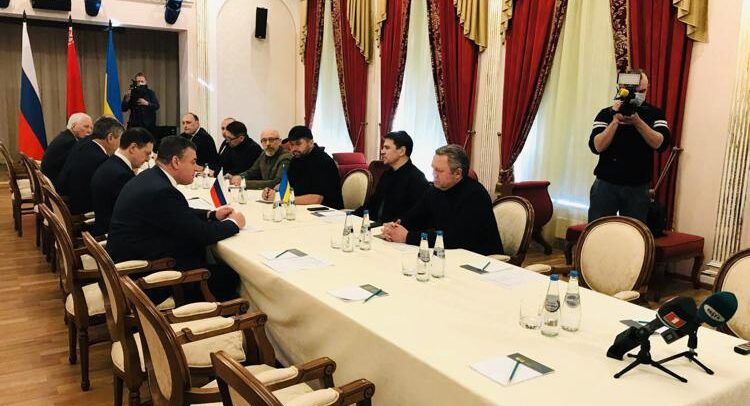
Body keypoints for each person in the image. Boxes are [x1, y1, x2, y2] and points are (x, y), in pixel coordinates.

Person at [106, 135, 246, 300]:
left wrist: (211, 214)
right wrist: (234, 223)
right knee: (229, 275)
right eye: (193, 162)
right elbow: (201, 234)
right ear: (176, 162)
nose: (196, 169)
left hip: (131, 261)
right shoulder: (162, 191)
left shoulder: (151, 177)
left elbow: (177, 213)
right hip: (145, 277)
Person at [381, 144, 503, 256]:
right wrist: (395, 227)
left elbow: (454, 239)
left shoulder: (475, 195)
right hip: (446, 255)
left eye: (439, 171)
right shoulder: (435, 190)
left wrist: (408, 237)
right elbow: (414, 217)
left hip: (479, 260)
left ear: (458, 173)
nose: (434, 174)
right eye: (433, 168)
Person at [588, 69, 671, 223]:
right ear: (622, 89)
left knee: (633, 232)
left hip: (638, 186)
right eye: (634, 90)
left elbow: (661, 143)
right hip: (606, 184)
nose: (638, 95)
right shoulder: (606, 113)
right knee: (598, 229)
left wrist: (638, 122)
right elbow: (596, 146)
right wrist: (615, 121)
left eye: (642, 91)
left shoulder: (655, 114)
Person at [352, 131, 429, 223]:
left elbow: (416, 217)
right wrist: (350, 216)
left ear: (402, 151)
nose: (382, 151)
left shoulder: (417, 179)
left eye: (387, 148)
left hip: (395, 229)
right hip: (374, 225)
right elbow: (372, 204)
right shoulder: (387, 174)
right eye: (383, 147)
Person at [90, 127, 154, 236]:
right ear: (132, 148)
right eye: (147, 153)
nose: (148, 159)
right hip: (113, 234)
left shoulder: (112, 164)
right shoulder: (121, 175)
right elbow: (134, 212)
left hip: (105, 226)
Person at [261, 126, 343, 209]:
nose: (294, 149)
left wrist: (280, 198)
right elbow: (288, 184)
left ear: (311, 143)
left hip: (327, 211)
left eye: (298, 144)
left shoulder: (323, 161)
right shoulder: (297, 158)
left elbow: (316, 199)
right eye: (291, 144)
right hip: (302, 207)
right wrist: (271, 191)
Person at [57, 116, 124, 215]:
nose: (121, 145)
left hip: (67, 194)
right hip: (82, 209)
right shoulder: (100, 159)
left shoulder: (85, 142)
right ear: (110, 138)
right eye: (120, 139)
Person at [41, 113, 93, 186]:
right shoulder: (69, 142)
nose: (89, 131)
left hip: (51, 180)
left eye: (91, 128)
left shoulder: (66, 137)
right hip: (56, 184)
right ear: (73, 126)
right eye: (86, 127)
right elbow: (75, 169)